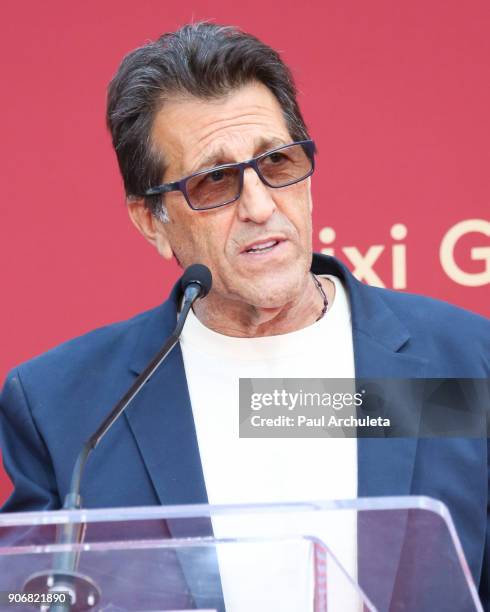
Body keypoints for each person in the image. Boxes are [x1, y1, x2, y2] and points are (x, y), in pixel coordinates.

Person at [0, 22, 488, 608]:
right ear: (151, 221)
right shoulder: (68, 407)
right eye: (214, 181)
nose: (260, 206)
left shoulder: (466, 363)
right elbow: (26, 597)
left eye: (277, 164)